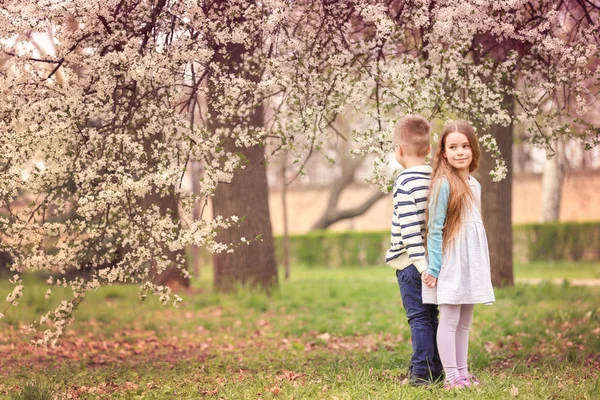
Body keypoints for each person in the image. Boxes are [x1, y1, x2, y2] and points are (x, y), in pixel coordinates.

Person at [421, 120, 496, 390]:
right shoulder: (444, 183)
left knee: (465, 321)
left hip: (471, 260)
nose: (460, 152)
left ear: (473, 149)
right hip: (452, 259)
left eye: (465, 146)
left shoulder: (474, 185)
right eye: (453, 147)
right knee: (451, 318)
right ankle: (451, 378)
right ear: (443, 152)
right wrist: (435, 268)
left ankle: (463, 374)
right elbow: (435, 228)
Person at [385, 115, 443, 387]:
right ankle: (437, 366)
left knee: (418, 318)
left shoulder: (405, 182)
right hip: (433, 261)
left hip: (412, 264)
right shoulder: (437, 177)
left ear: (398, 149)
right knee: (432, 317)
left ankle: (421, 372)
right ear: (429, 149)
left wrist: (420, 268)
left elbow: (409, 229)